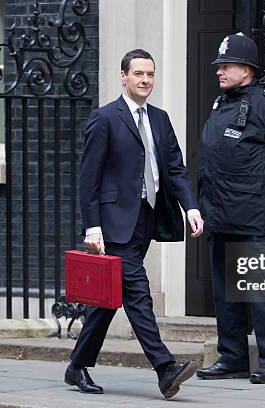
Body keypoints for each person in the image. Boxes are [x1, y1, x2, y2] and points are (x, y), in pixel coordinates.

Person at [64, 49, 204, 399]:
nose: (145, 80)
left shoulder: (159, 118)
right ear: (123, 77)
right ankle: (164, 367)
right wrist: (92, 227)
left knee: (110, 299)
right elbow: (88, 179)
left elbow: (175, 167)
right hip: (113, 224)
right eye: (138, 74)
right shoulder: (105, 118)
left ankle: (76, 365)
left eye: (150, 75)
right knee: (138, 293)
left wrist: (190, 207)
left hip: (146, 219)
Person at [196, 33, 265, 384]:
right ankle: (232, 357)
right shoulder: (221, 104)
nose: (219, 71)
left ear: (246, 70)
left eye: (225, 65)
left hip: (256, 220)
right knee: (225, 295)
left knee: (262, 295)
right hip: (220, 216)